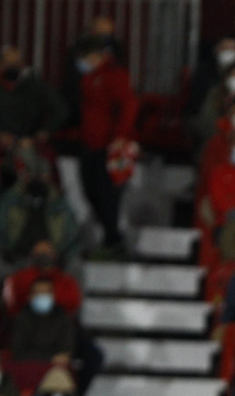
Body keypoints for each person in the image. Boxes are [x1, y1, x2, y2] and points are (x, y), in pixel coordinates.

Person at [72, 39, 137, 254]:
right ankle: (111, 234)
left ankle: (113, 237)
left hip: (109, 146)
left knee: (107, 193)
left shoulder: (113, 76)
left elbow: (128, 105)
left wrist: (120, 136)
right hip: (89, 143)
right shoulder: (87, 77)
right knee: (90, 189)